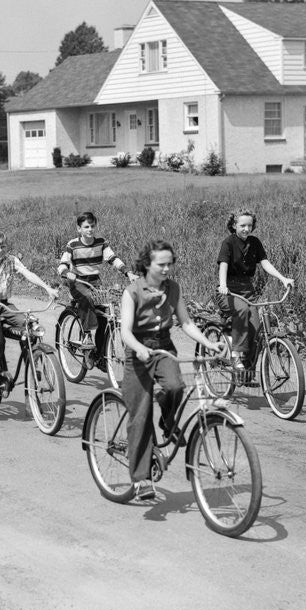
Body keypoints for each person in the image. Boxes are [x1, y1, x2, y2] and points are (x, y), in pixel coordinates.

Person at [120, 240, 222, 501]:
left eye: (170, 264)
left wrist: (209, 343)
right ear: (147, 264)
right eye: (161, 264)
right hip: (139, 353)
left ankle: (167, 422)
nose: (167, 269)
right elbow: (125, 332)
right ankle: (141, 480)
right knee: (141, 416)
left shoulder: (173, 288)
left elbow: (186, 322)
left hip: (164, 347)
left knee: (176, 386)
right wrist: (139, 349)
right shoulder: (132, 292)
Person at [0, 227, 57, 393]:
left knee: (31, 326)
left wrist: (48, 288)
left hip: (4, 306)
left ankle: (32, 366)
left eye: (3, 246)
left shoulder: (11, 260)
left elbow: (28, 273)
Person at [217, 209, 293, 378]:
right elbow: (223, 264)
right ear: (233, 225)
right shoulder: (228, 243)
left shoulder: (255, 242)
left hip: (247, 290)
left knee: (256, 330)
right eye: (242, 225)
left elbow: (265, 263)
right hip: (227, 291)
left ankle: (247, 373)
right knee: (242, 310)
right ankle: (236, 355)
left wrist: (283, 278)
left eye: (249, 225)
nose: (246, 229)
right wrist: (222, 284)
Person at [57, 211, 136, 353]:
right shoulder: (73, 245)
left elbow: (113, 259)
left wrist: (128, 273)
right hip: (77, 282)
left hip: (95, 282)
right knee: (87, 297)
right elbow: (62, 264)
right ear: (79, 229)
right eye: (86, 227)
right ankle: (86, 334)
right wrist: (67, 273)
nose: (90, 229)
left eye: (92, 226)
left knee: (105, 315)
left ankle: (100, 355)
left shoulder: (101, 243)